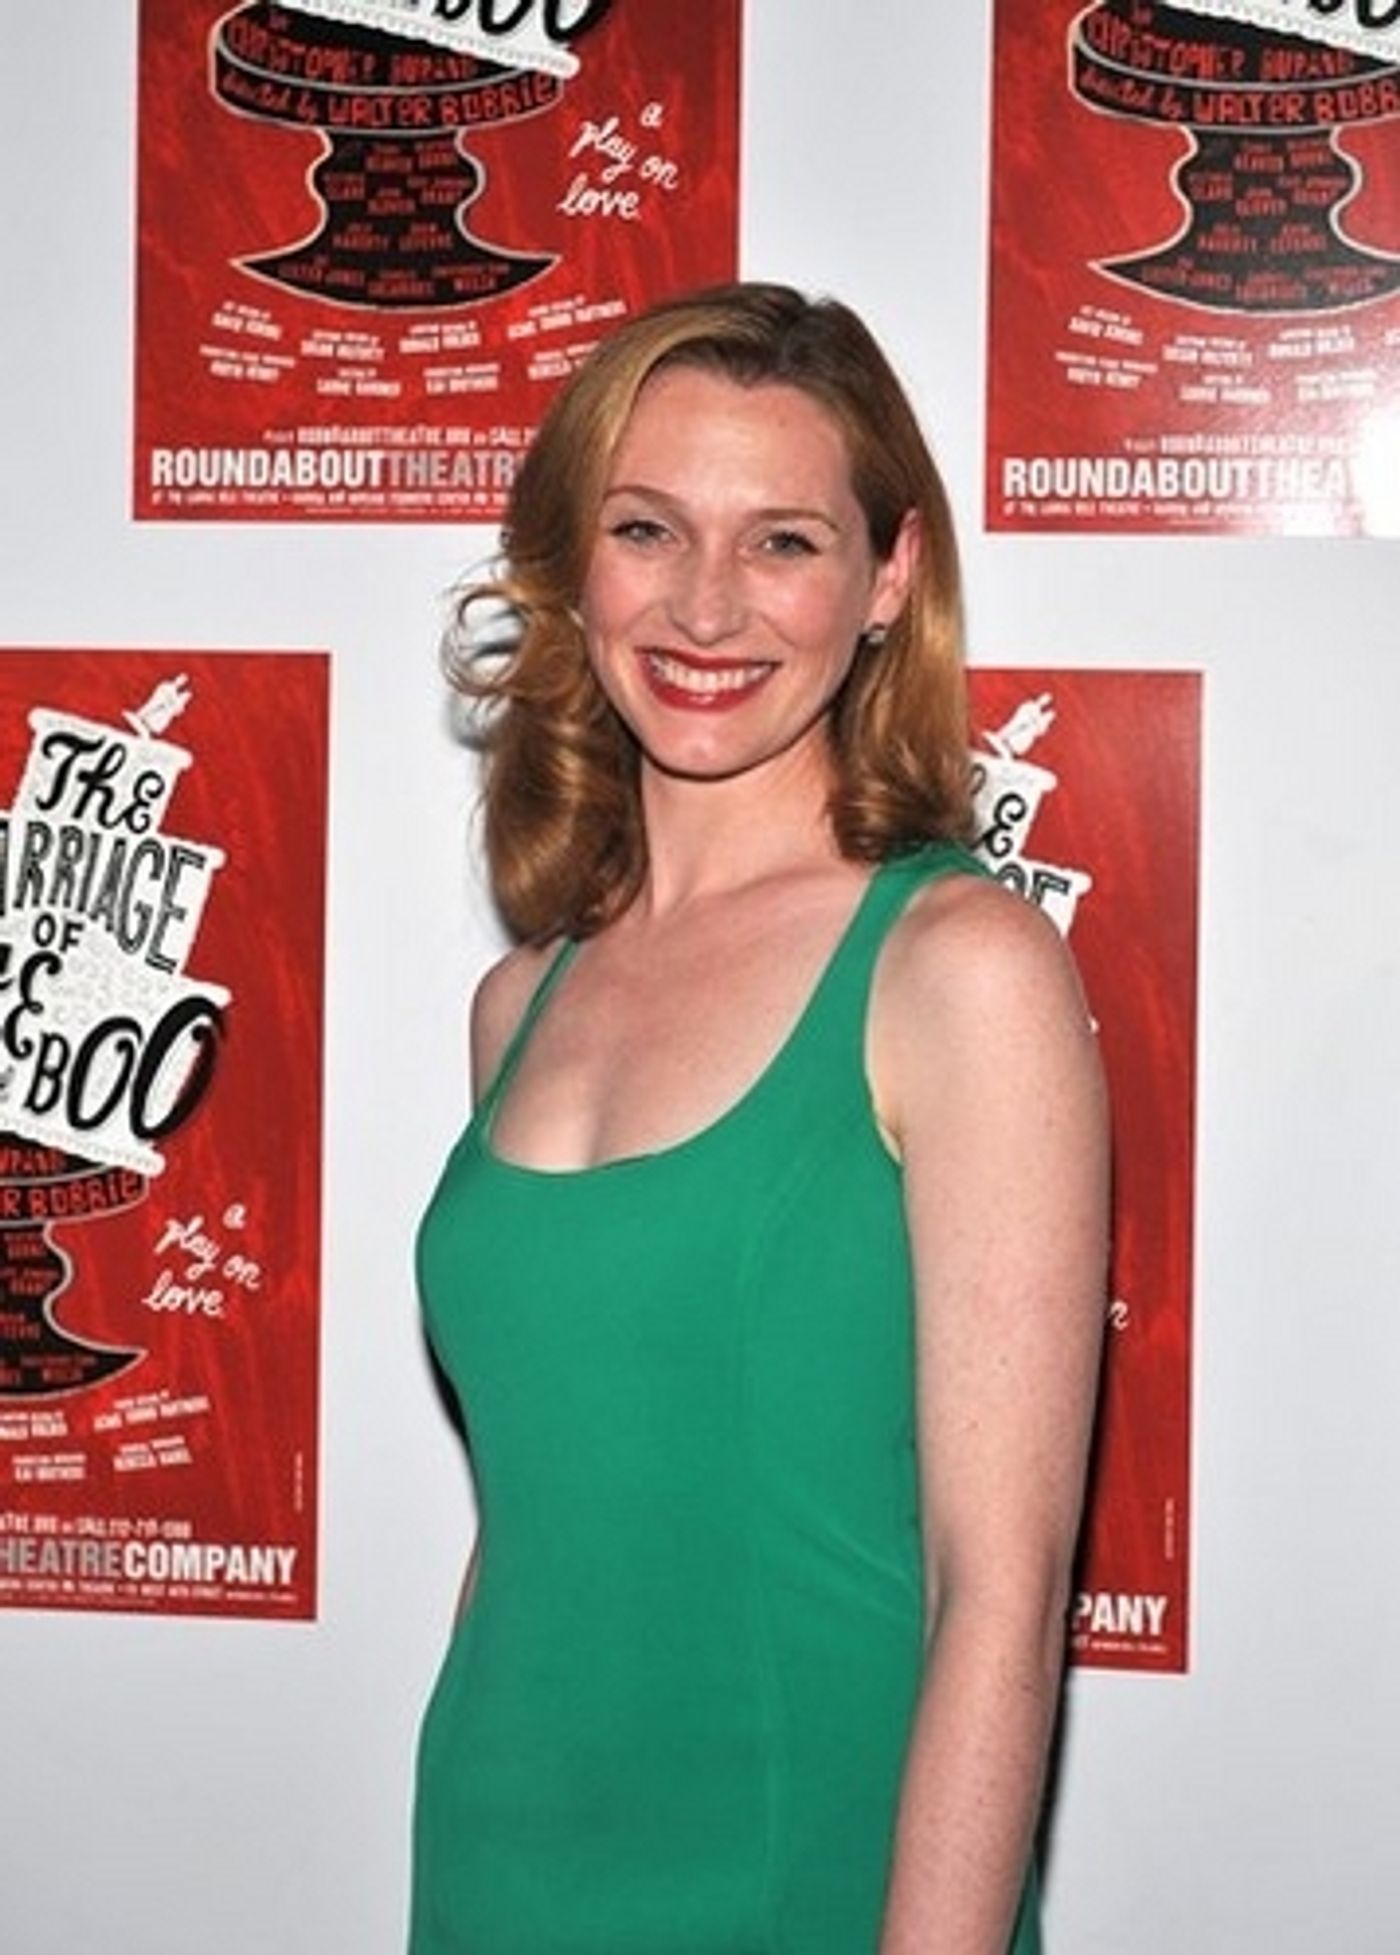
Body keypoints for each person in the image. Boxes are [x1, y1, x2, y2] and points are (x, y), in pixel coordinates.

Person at [411, 282, 1108, 1955]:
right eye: (647, 528)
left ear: (889, 579)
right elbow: (539, 1525)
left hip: (809, 1879)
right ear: (575, 560)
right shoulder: (521, 1003)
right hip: (497, 1864)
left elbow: (1000, 1599)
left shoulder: (959, 972)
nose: (706, 604)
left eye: (783, 542)